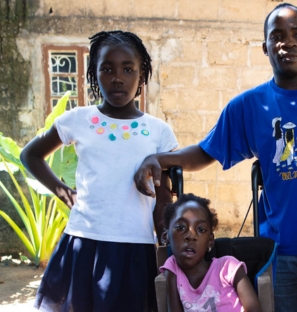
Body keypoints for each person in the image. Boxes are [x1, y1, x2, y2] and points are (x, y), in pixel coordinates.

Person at [134, 3, 297, 312]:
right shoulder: (249, 106)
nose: (288, 42)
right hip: (280, 247)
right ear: (265, 47)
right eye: (278, 36)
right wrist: (160, 159)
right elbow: (206, 151)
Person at [20, 30, 179, 311]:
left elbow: (164, 196)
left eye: (127, 69)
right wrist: (64, 192)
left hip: (135, 246)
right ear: (94, 74)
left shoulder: (159, 131)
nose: (117, 77)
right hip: (83, 243)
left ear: (141, 76)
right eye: (107, 69)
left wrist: (165, 242)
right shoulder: (78, 119)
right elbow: (30, 155)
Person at [160, 193, 262, 311]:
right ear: (165, 236)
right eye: (181, 227)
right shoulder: (173, 267)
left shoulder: (228, 267)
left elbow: (254, 309)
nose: (191, 236)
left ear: (210, 241)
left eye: (201, 229)